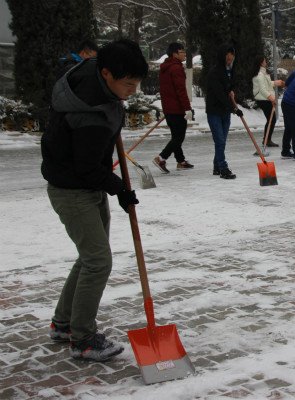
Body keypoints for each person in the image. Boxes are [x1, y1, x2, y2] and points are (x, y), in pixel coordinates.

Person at [41, 39, 148, 361]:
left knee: (89, 258)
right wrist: (120, 189)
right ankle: (83, 339)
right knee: (98, 261)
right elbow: (86, 168)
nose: (132, 91)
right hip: (73, 190)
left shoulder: (97, 81)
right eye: (127, 84)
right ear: (106, 74)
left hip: (85, 185)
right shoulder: (89, 112)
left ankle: (63, 324)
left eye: (136, 84)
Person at [153, 42, 194, 173]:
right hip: (177, 109)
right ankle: (161, 158)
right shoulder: (176, 68)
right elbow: (180, 90)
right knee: (179, 137)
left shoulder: (165, 67)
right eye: (182, 52)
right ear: (174, 54)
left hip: (168, 108)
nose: (184, 54)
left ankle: (180, 161)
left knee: (176, 136)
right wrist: (187, 108)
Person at [205, 45, 242, 179]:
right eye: (227, 54)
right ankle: (223, 168)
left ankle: (217, 166)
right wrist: (234, 109)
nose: (230, 57)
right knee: (220, 141)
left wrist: (231, 91)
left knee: (222, 142)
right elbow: (219, 93)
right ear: (222, 55)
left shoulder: (230, 71)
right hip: (214, 111)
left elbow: (229, 87)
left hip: (225, 111)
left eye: (232, 55)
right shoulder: (215, 72)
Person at [252, 55, 284, 147]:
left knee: (271, 119)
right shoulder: (260, 74)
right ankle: (267, 140)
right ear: (261, 63)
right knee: (271, 119)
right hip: (263, 99)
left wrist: (277, 82)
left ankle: (267, 139)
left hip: (264, 99)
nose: (266, 62)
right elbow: (262, 89)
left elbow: (268, 84)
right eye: (265, 61)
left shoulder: (263, 73)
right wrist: (272, 98)